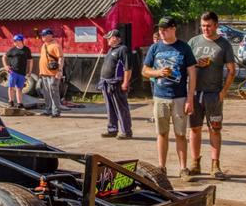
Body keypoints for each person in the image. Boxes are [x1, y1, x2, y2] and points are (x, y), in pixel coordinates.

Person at [142, 16, 197, 180]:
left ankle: (183, 168)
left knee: (180, 134)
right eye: (160, 29)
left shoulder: (184, 48)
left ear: (174, 29)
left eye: (165, 29)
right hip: (160, 97)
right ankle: (162, 167)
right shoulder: (155, 48)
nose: (162, 32)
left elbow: (192, 74)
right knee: (162, 133)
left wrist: (190, 98)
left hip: (180, 97)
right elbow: (144, 70)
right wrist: (157, 73)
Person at [187, 12, 236, 181]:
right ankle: (195, 162)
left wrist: (224, 91)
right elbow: (184, 65)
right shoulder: (193, 42)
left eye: (208, 26)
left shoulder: (224, 44)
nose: (205, 29)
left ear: (216, 25)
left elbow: (232, 70)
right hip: (194, 92)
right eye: (203, 25)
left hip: (213, 94)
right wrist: (196, 62)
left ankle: (215, 165)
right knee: (194, 128)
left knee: (214, 129)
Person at [98, 29, 133, 139]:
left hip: (116, 83)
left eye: (110, 38)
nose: (108, 40)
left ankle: (126, 131)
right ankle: (112, 129)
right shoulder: (111, 50)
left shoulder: (123, 49)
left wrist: (125, 82)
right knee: (110, 108)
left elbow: (128, 68)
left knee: (121, 108)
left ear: (116, 38)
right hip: (106, 83)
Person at [1, 34, 33, 108]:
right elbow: (4, 57)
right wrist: (5, 66)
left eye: (16, 41)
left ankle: (19, 103)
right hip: (13, 72)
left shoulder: (26, 50)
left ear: (21, 41)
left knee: (19, 88)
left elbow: (30, 60)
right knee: (11, 87)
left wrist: (30, 71)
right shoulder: (12, 50)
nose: (14, 42)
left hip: (22, 72)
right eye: (14, 41)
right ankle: (11, 101)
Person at [38, 28, 64, 118]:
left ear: (50, 35)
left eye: (44, 35)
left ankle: (56, 111)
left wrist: (59, 71)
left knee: (53, 93)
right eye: (42, 35)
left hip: (53, 74)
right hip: (44, 73)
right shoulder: (44, 45)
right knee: (46, 93)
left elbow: (61, 58)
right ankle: (48, 110)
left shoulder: (56, 45)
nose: (42, 37)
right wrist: (41, 72)